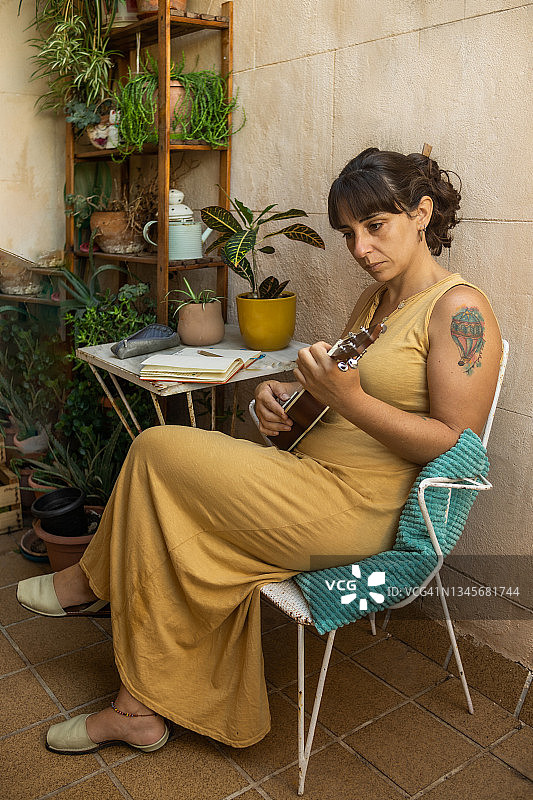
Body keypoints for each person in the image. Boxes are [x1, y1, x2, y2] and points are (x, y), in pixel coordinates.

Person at [17, 147, 502, 756]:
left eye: (374, 227)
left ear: (422, 213)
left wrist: (345, 400)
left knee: (156, 449)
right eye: (349, 234)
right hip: (310, 477)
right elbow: (329, 395)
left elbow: (459, 443)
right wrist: (282, 400)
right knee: (172, 514)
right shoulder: (375, 304)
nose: (360, 249)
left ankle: (90, 581)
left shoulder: (460, 312)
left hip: (364, 511)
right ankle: (134, 709)